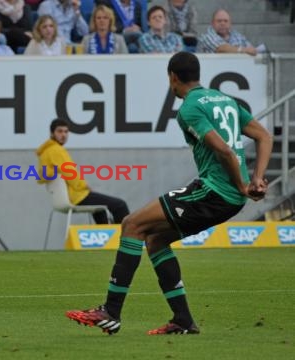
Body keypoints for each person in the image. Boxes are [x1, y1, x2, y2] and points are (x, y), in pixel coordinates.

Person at [65, 52, 272, 335]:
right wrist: (257, 178)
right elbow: (264, 136)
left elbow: (223, 150)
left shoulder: (189, 108)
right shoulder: (226, 101)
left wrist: (241, 185)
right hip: (225, 197)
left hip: (215, 192)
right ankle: (183, 320)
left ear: (172, 77)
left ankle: (111, 311)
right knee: (156, 239)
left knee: (132, 225)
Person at [37, 119, 129, 224]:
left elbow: (43, 176)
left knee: (100, 210)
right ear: (52, 133)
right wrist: (85, 186)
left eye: (66, 132)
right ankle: (127, 240)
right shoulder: (56, 150)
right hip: (77, 196)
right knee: (120, 205)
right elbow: (70, 173)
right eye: (60, 131)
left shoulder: (45, 153)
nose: (63, 135)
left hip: (65, 198)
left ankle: (106, 239)